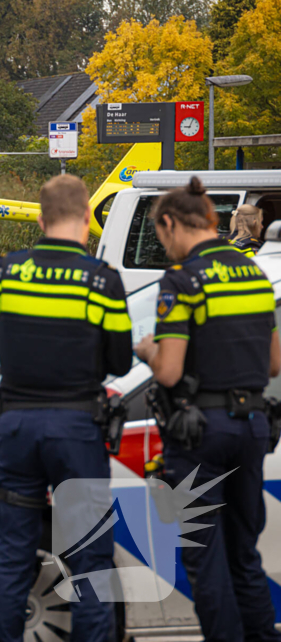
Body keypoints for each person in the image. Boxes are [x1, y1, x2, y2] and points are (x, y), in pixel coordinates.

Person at [0, 175, 133, 642]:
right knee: (90, 559)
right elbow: (120, 361)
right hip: (77, 428)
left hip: (16, 424)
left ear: (39, 219)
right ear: (85, 220)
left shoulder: (4, 271)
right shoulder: (103, 280)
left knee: (14, 555)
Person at [134, 177, 281, 642]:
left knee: (204, 555)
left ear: (171, 223)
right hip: (253, 426)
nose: (165, 246)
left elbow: (171, 373)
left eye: (161, 236)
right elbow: (275, 361)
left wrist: (147, 350)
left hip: (201, 435)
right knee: (243, 553)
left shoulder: (182, 280)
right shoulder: (253, 273)